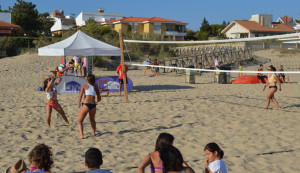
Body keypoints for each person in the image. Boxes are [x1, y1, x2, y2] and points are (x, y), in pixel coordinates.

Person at [78, 74, 101, 139]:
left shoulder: (84, 86)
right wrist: (96, 101)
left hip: (86, 104)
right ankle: (93, 133)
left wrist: (79, 103)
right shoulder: (95, 87)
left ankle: (81, 135)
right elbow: (99, 98)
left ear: (87, 80)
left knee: (80, 121)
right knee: (92, 120)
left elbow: (80, 95)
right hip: (93, 105)